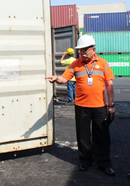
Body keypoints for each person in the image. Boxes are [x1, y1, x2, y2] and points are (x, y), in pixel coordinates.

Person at [45, 35, 116, 176]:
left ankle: (103, 163)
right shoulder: (75, 64)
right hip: (81, 106)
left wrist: (111, 105)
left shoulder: (103, 64)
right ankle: (85, 162)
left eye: (85, 50)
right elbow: (64, 78)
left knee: (101, 135)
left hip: (100, 106)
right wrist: (56, 78)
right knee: (83, 136)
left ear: (93, 49)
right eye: (80, 51)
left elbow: (109, 85)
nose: (82, 53)